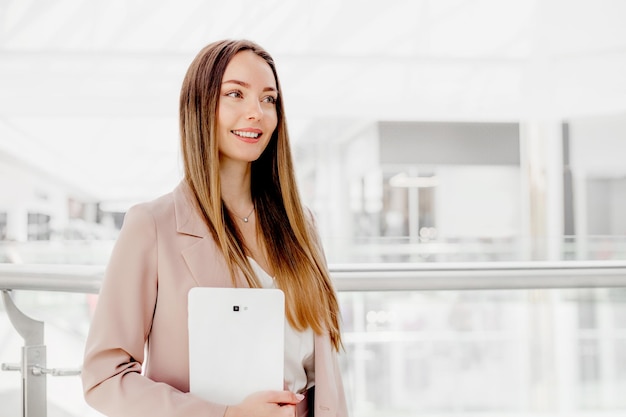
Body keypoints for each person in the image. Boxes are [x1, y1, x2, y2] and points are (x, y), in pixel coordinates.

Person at [81, 39, 348, 417]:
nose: (256, 112)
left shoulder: (300, 225)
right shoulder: (152, 226)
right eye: (235, 94)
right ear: (200, 106)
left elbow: (322, 373)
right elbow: (104, 379)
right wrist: (226, 415)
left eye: (269, 99)